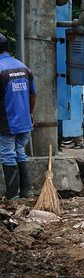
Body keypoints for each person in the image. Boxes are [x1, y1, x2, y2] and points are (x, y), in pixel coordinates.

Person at [0, 33, 36, 200]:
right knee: (19, 151)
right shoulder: (23, 67)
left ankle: (13, 195)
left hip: (7, 121)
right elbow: (32, 94)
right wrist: (30, 112)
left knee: (7, 154)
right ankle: (27, 191)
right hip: (24, 120)